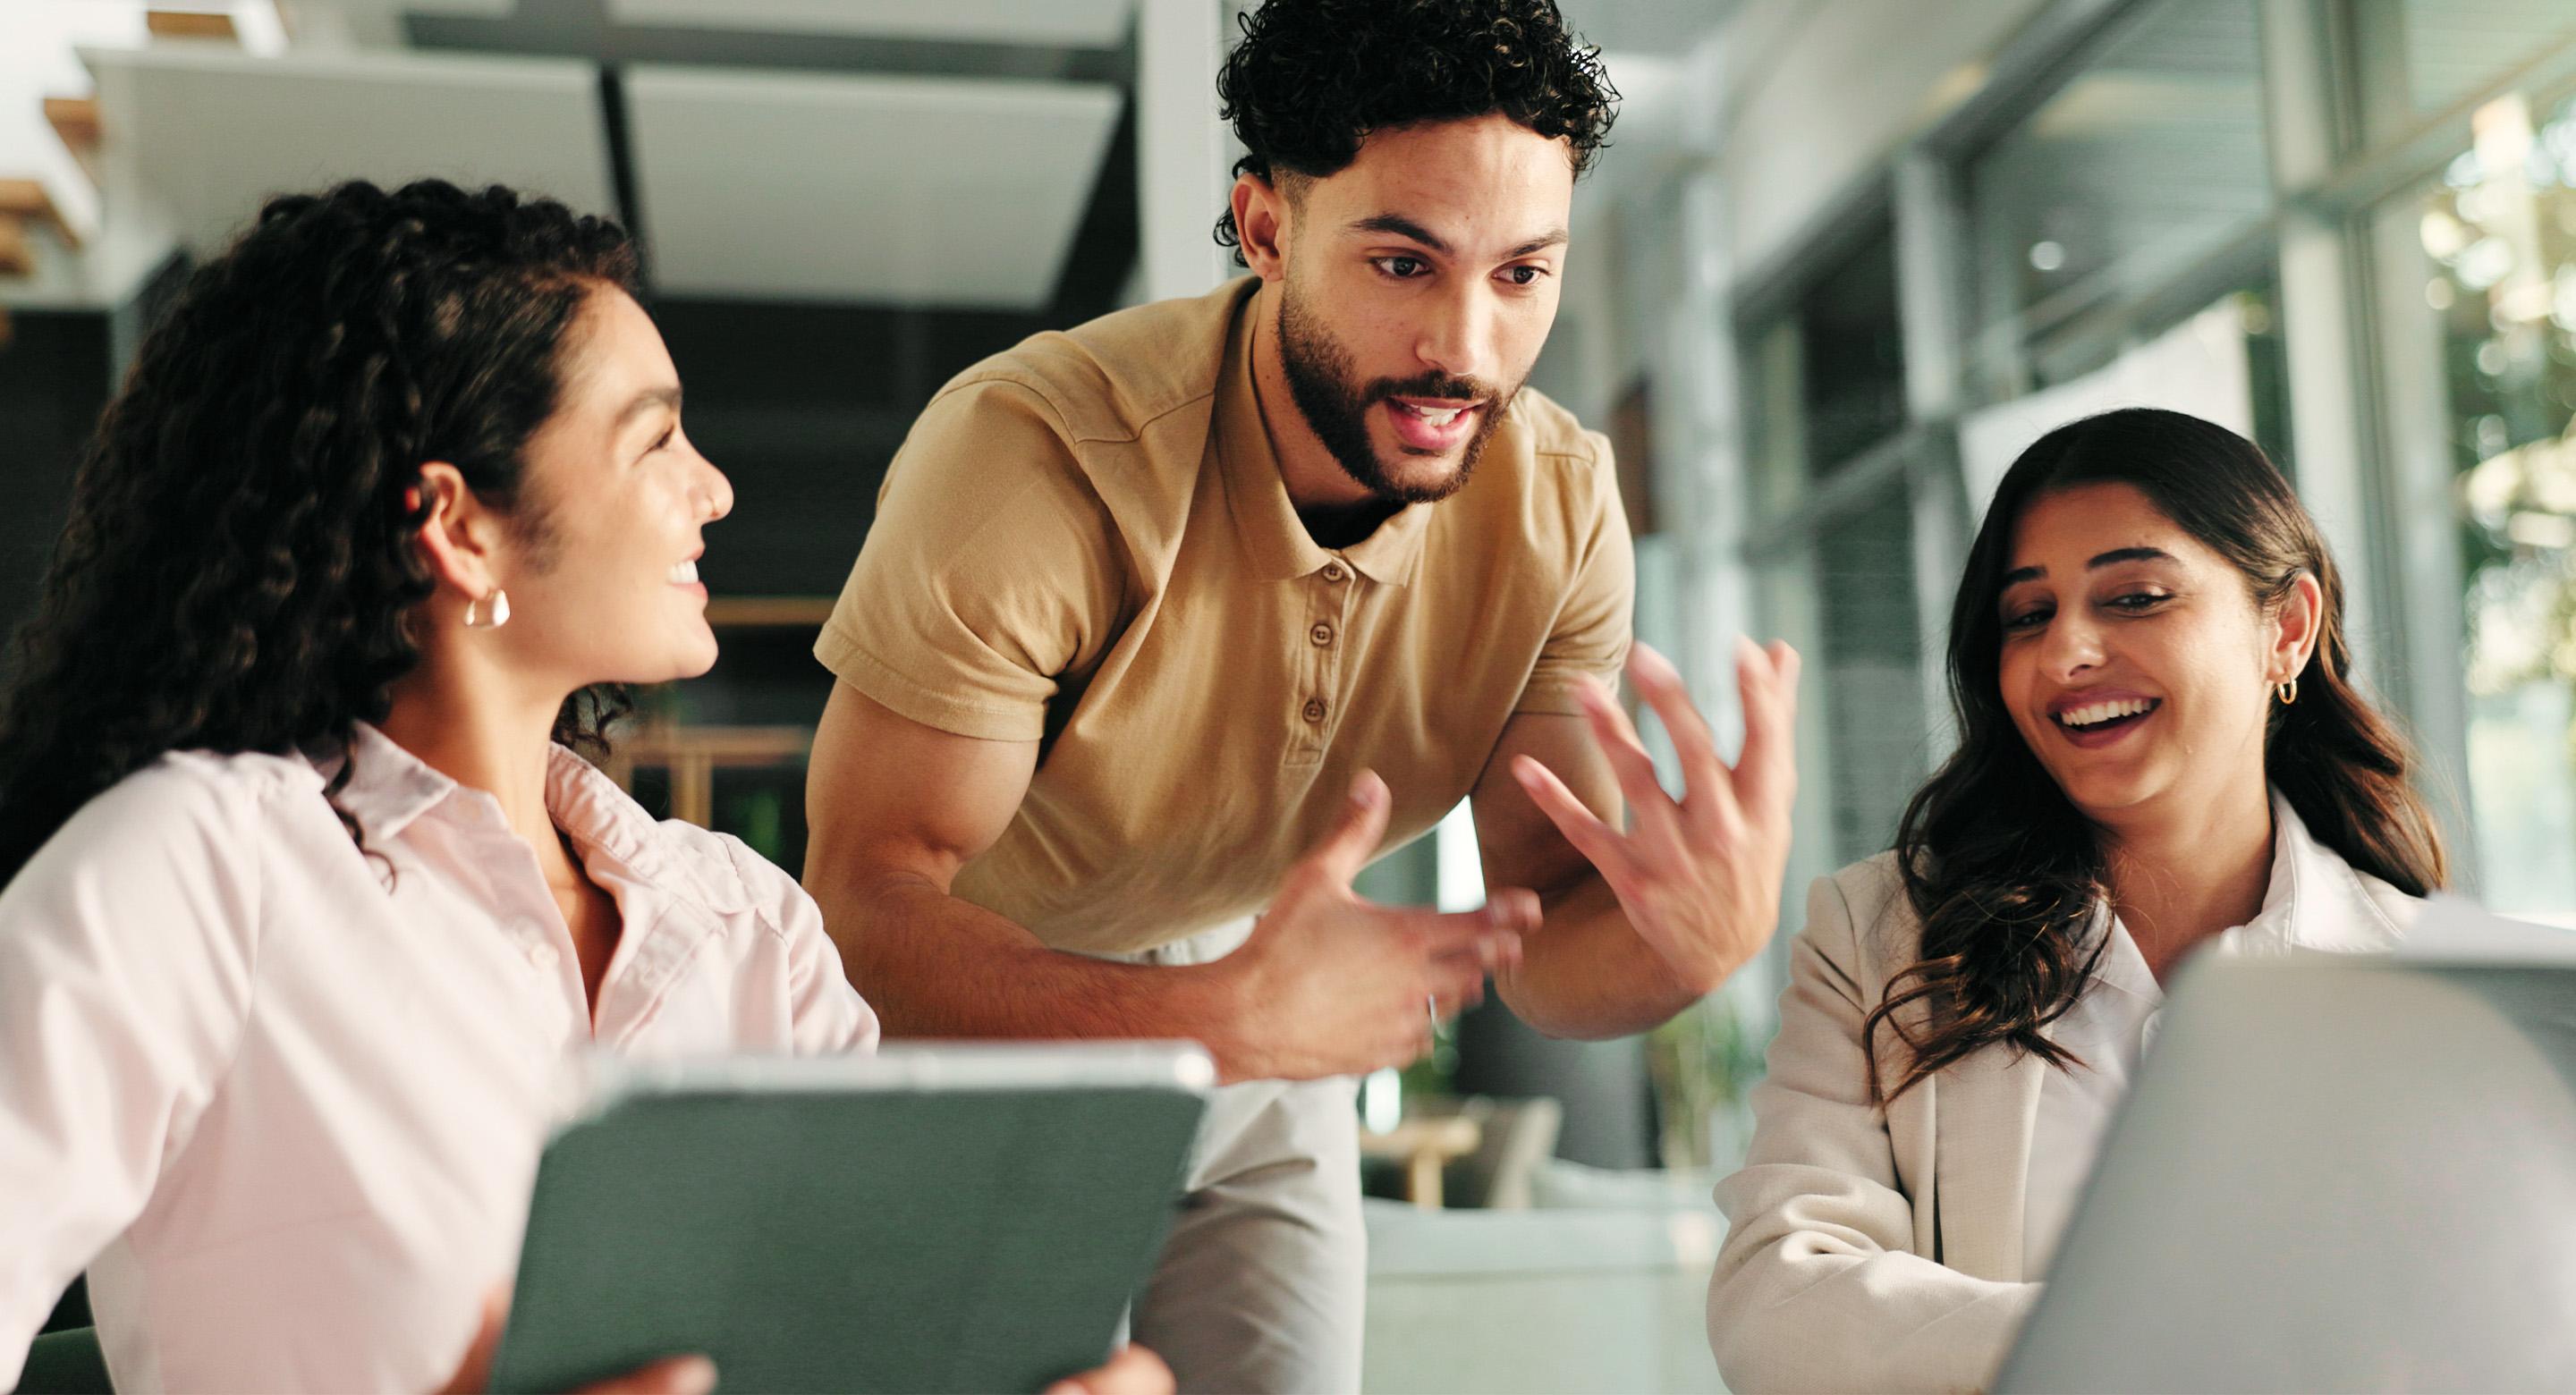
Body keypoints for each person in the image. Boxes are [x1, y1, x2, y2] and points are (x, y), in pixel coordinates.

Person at [0, 179, 1166, 1395]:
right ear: (460, 528)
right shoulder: (199, 871)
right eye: (655, 439)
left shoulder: (748, 931)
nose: (711, 490)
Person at [801, 2, 1801, 1389]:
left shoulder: (1559, 505)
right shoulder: (1035, 455)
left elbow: (1541, 939)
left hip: (1273, 1039)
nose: (1466, 347)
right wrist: (1226, 1017)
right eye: (1404, 261)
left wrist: (1695, 943)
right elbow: (865, 914)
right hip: (995, 1037)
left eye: (1522, 274)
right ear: (1266, 229)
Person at [1704, 407, 2452, 1393]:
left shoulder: (2434, 987)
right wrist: (2156, 1347)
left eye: (2135, 597)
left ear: (2287, 629)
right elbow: (1779, 1309)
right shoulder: (1882, 932)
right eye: (2028, 616)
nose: (2066, 655)